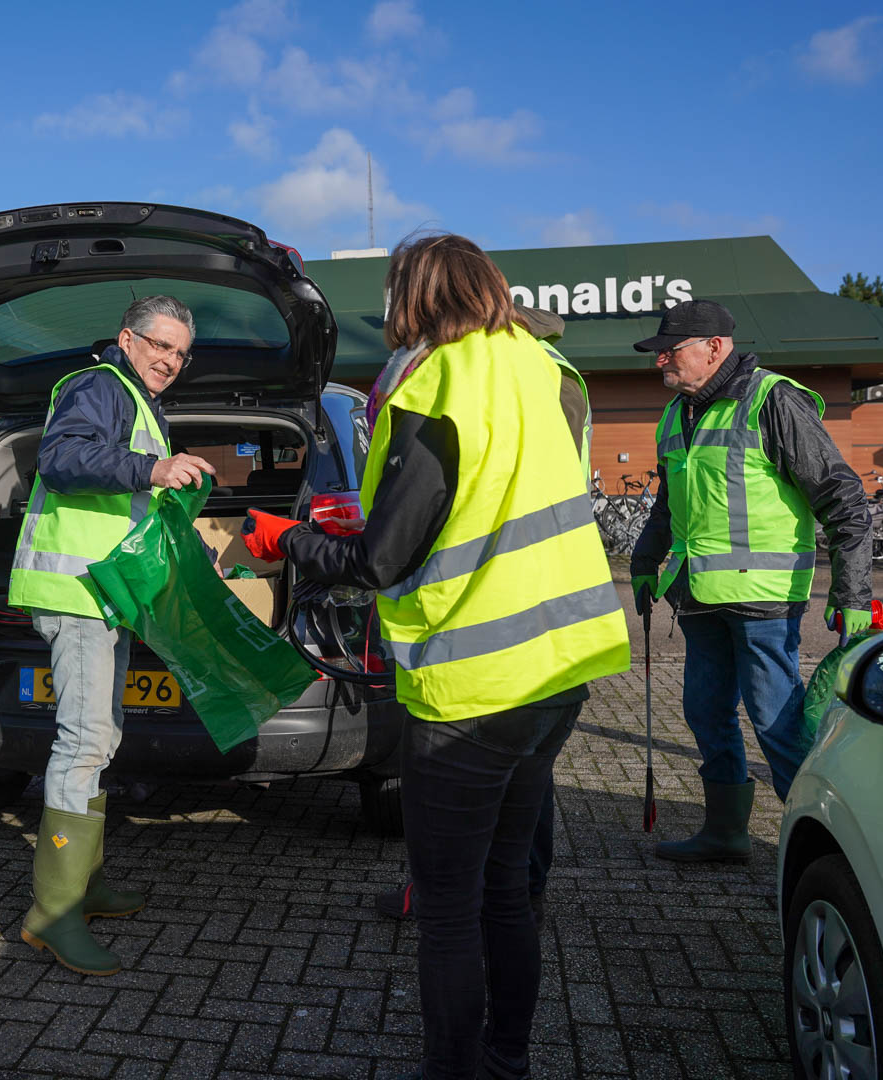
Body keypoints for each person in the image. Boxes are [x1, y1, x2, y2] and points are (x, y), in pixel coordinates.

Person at [243, 235, 629, 1080]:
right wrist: (368, 520)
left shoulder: (436, 380)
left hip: (472, 689)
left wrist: (289, 540)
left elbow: (382, 562)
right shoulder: (543, 369)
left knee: (449, 910)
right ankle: (507, 1059)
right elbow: (485, 503)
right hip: (559, 671)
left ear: (413, 297)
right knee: (506, 890)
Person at [7, 294, 214, 977]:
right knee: (83, 743)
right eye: (161, 346)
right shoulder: (98, 386)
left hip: (102, 594)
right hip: (74, 592)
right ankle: (53, 914)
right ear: (127, 339)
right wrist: (154, 468)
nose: (171, 361)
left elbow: (134, 508)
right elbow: (63, 460)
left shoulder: (137, 402)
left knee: (102, 738)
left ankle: (86, 886)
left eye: (181, 353)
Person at [629, 300, 871, 861]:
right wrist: (645, 562)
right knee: (704, 713)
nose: (660, 361)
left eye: (671, 351)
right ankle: (726, 834)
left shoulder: (773, 400)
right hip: (697, 594)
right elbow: (668, 503)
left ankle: (826, 856)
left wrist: (854, 591)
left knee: (776, 723)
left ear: (714, 347)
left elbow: (843, 498)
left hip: (764, 599)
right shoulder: (676, 414)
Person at [373, 303, 588, 931]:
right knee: (525, 766)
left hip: (495, 592)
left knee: (497, 772)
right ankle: (515, 893)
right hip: (541, 587)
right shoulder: (546, 367)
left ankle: (491, 891)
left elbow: (476, 484)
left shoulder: (484, 370)